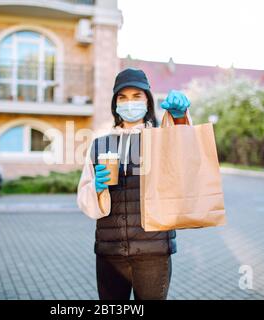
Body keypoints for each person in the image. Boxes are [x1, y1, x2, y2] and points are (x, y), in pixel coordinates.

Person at [76, 68, 192, 300]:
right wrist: (96, 189)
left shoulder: (161, 139)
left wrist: (180, 118)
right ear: (115, 104)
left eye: (137, 96)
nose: (129, 103)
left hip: (153, 254)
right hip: (110, 253)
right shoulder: (100, 144)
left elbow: (187, 155)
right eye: (123, 97)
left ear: (148, 102)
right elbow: (83, 197)